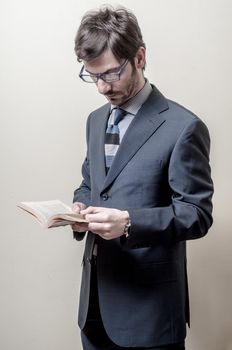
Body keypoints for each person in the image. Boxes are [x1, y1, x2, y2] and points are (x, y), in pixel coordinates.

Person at [71, 5, 214, 350]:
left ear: (140, 57)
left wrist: (130, 222)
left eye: (111, 73)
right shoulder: (95, 120)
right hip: (95, 307)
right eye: (93, 76)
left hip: (150, 312)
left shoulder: (184, 127)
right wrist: (78, 209)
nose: (102, 88)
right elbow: (92, 184)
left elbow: (197, 215)